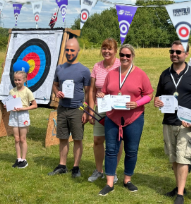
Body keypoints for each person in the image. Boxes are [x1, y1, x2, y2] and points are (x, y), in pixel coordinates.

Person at [96, 44, 153, 196]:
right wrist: (101, 95)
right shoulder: (112, 73)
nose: (125, 58)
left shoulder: (140, 74)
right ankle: (109, 183)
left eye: (128, 55)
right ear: (119, 56)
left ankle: (127, 180)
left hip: (134, 118)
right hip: (112, 118)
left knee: (131, 151)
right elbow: (104, 91)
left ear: (132, 56)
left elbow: (149, 94)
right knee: (111, 150)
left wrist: (137, 103)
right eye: (122, 55)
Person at [154, 40, 191, 204]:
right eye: (172, 51)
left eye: (178, 52)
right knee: (174, 157)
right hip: (168, 121)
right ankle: (178, 186)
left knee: (184, 157)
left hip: (186, 123)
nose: (174, 54)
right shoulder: (164, 74)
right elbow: (158, 95)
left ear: (186, 54)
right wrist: (157, 102)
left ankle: (180, 194)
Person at [48, 38, 91, 178]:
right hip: (62, 108)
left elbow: (88, 92)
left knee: (77, 139)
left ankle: (76, 167)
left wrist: (86, 111)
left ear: (78, 51)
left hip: (77, 110)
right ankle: (62, 165)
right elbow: (54, 85)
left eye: (72, 50)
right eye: (67, 49)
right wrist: (57, 92)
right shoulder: (59, 68)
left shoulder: (84, 70)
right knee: (63, 138)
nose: (69, 52)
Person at [88, 38, 123, 183]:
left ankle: (112, 172)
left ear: (115, 51)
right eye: (104, 48)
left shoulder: (122, 65)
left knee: (116, 141)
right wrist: (91, 110)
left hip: (117, 109)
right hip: (100, 108)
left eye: (110, 49)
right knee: (97, 139)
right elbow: (91, 90)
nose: (106, 51)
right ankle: (99, 170)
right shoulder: (96, 66)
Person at [8, 71, 37, 168]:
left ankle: (24, 160)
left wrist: (23, 108)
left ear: (24, 80)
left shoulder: (27, 91)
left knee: (22, 139)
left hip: (23, 116)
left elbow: (34, 105)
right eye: (15, 80)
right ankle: (18, 158)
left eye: (19, 80)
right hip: (14, 116)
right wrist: (7, 105)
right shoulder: (12, 91)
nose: (17, 82)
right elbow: (10, 103)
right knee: (16, 139)